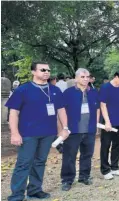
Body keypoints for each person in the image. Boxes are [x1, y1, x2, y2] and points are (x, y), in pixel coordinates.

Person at [6, 61, 70, 201]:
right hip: (28, 134)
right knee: (24, 163)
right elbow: (13, 113)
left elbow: (61, 110)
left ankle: (34, 190)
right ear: (33, 72)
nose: (46, 72)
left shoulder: (55, 90)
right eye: (42, 70)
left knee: (40, 162)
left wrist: (64, 128)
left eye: (48, 69)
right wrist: (15, 133)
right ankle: (17, 195)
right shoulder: (23, 90)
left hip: (48, 133)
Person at [60, 68, 100, 191]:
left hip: (89, 129)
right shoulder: (68, 92)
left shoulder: (93, 92)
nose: (86, 79)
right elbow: (61, 111)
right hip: (73, 130)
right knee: (69, 156)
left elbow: (97, 108)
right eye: (82, 77)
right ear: (76, 78)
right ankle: (67, 180)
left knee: (87, 154)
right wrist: (64, 128)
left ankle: (84, 176)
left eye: (87, 76)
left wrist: (96, 124)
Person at [99, 70, 119, 180]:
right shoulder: (105, 87)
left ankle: (114, 167)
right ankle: (105, 170)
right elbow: (103, 105)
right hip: (109, 122)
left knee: (117, 145)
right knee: (106, 146)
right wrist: (107, 121)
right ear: (116, 77)